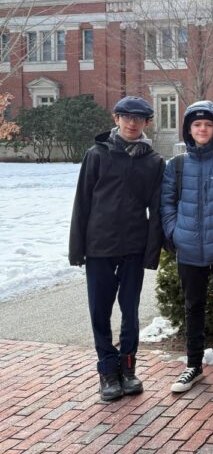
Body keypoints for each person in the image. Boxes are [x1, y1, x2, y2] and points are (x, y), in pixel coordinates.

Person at [69, 95, 165, 402]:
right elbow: (82, 203)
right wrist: (77, 248)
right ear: (116, 119)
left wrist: (151, 252)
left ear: (147, 122)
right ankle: (107, 372)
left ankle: (127, 368)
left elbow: (157, 211)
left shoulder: (153, 162)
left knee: (130, 311)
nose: (132, 123)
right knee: (100, 311)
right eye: (126, 117)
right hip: (99, 247)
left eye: (139, 118)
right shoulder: (96, 155)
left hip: (133, 248)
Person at [160, 100, 213, 394]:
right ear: (188, 129)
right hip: (189, 249)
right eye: (197, 124)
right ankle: (193, 365)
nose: (202, 129)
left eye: (208, 124)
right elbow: (167, 203)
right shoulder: (177, 165)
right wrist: (174, 232)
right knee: (193, 306)